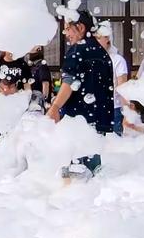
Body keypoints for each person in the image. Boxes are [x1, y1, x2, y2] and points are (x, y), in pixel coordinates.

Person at [47, 10, 114, 178]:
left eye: (68, 28)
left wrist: (55, 107)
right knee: (93, 173)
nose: (66, 33)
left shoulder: (78, 50)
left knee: (74, 173)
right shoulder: (102, 53)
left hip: (78, 121)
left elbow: (69, 82)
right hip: (98, 120)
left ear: (81, 27)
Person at [96, 21, 128, 136]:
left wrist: (127, 113)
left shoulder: (118, 60)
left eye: (100, 38)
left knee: (113, 146)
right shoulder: (92, 60)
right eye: (95, 38)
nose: (97, 41)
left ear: (108, 38)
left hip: (114, 109)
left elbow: (122, 88)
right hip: (95, 108)